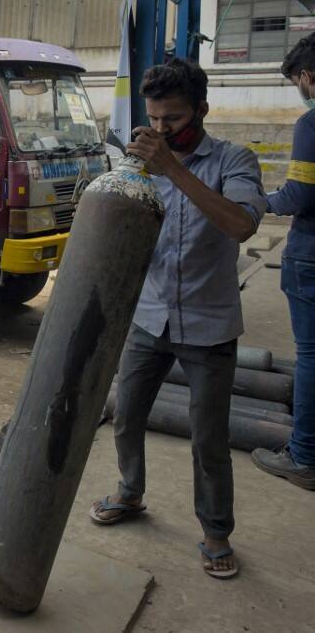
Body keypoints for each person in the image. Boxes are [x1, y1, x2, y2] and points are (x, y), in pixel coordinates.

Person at [88, 59, 266, 580]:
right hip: (150, 315)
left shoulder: (234, 160)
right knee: (126, 415)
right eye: (154, 120)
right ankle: (130, 491)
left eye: (175, 119)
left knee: (208, 437)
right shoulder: (142, 162)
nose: (162, 130)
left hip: (209, 324)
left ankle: (216, 531)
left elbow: (241, 225)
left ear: (202, 110)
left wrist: (172, 169)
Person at [253, 34, 315, 491]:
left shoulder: (311, 124)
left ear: (307, 76)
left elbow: (298, 195)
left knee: (310, 355)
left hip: (311, 255)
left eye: (297, 82)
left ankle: (304, 456)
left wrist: (258, 202)